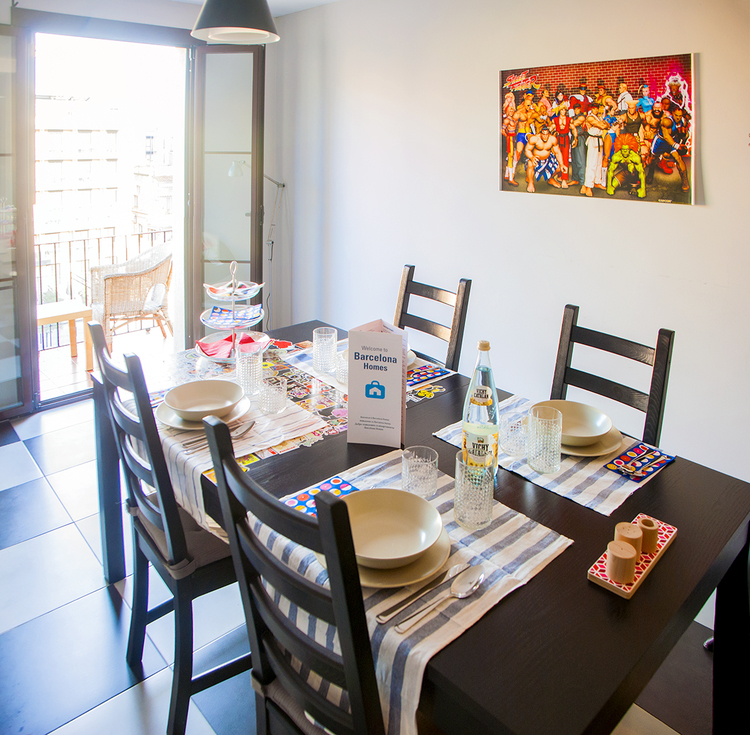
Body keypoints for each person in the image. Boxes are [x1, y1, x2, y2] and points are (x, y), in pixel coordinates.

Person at [647, 105, 690, 191]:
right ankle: (650, 173)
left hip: (673, 140)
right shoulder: (667, 121)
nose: (678, 118)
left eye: (680, 116)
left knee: (678, 159)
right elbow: (666, 136)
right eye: (676, 115)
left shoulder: (683, 121)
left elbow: (685, 134)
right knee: (653, 159)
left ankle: (685, 181)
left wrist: (683, 143)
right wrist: (677, 146)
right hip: (661, 141)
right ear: (673, 113)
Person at [523, 126, 566, 192]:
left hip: (548, 159)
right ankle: (531, 183)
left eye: (547, 134)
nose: (545, 136)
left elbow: (557, 152)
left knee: (559, 167)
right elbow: (527, 150)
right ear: (540, 134)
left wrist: (562, 164)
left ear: (549, 134)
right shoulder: (534, 139)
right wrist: (532, 157)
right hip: (536, 159)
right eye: (543, 134)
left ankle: (551, 179)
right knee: (530, 163)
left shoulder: (553, 139)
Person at [581, 102, 610, 196]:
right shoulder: (590, 117)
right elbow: (603, 126)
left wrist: (604, 124)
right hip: (593, 140)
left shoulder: (599, 117)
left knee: (598, 163)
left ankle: (597, 181)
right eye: (594, 108)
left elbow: (607, 126)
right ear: (591, 109)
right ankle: (588, 186)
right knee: (591, 164)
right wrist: (603, 124)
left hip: (599, 140)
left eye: (597, 108)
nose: (596, 110)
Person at [606, 134, 646, 198]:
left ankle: (634, 185)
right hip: (625, 173)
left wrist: (643, 189)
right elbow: (610, 170)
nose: (625, 152)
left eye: (626, 149)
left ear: (630, 149)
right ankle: (626, 184)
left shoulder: (635, 157)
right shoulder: (616, 156)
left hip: (635, 174)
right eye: (623, 149)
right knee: (613, 184)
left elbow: (641, 172)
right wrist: (609, 186)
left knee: (632, 168)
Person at [552, 102, 575, 188]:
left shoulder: (569, 119)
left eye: (564, 110)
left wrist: (575, 138)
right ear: (559, 110)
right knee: (558, 157)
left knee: (565, 158)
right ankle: (559, 175)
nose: (563, 111)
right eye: (561, 110)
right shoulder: (555, 119)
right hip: (558, 138)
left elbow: (573, 129)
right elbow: (551, 128)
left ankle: (564, 179)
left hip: (565, 138)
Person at [502, 92, 519, 185]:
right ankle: (511, 179)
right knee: (510, 157)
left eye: (513, 110)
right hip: (510, 139)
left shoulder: (512, 119)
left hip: (513, 138)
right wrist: (508, 136)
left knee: (511, 156)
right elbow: (502, 130)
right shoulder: (507, 120)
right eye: (510, 110)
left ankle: (506, 175)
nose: (512, 111)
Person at [568, 102, 586, 185]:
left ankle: (582, 180)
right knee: (574, 159)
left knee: (580, 160)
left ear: (580, 109)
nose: (576, 110)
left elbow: (575, 124)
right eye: (575, 109)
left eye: (578, 108)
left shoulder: (582, 117)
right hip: (573, 138)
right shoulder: (572, 117)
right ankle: (575, 179)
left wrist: (568, 123)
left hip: (580, 138)